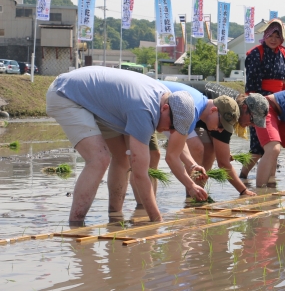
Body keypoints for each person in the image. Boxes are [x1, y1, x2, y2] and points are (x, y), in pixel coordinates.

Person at [45, 67, 208, 223]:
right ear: (165, 108)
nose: (169, 131)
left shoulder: (164, 97)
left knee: (121, 158)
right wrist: (157, 221)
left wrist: (191, 178)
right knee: (99, 159)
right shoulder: (145, 110)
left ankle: (114, 215)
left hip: (94, 100)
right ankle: (76, 224)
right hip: (66, 94)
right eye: (172, 126)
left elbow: (174, 150)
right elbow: (140, 175)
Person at [241, 19, 285, 181]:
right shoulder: (256, 54)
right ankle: (243, 177)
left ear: (282, 39)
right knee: (258, 148)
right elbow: (252, 85)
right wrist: (254, 109)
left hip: (278, 103)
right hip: (259, 103)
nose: (273, 39)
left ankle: (271, 180)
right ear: (265, 35)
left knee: (274, 144)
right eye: (271, 35)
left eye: (277, 36)